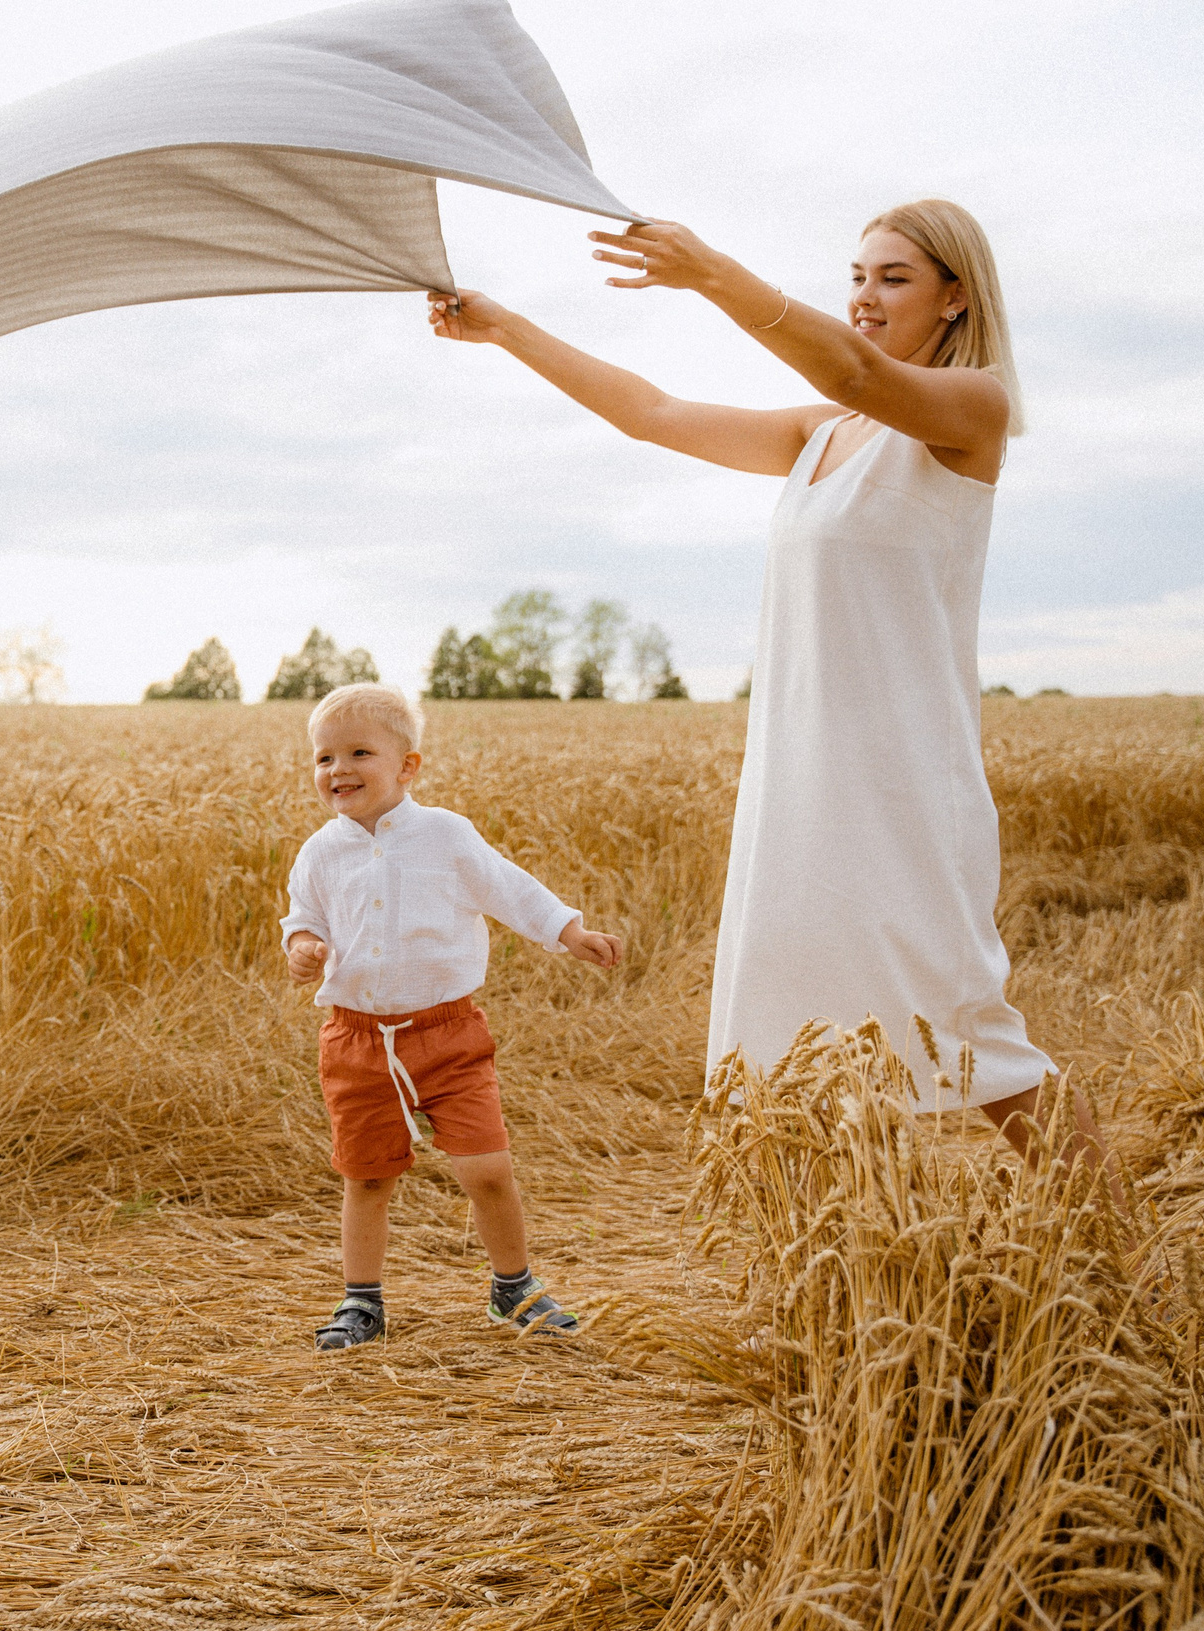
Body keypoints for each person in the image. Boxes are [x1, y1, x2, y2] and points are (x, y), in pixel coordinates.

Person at [424, 200, 1106, 1172]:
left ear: (955, 298)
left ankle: (1111, 1242)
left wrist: (711, 272)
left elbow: (855, 370)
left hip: (906, 779)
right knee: (801, 1021)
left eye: (894, 278)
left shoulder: (972, 410)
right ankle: (846, 1244)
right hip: (801, 778)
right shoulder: (821, 435)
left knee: (967, 1026)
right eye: (857, 276)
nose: (865, 296)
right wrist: (507, 330)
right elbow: (651, 415)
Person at [280, 684, 623, 1350]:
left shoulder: (444, 835)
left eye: (359, 753)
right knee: (367, 1176)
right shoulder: (319, 852)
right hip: (356, 1042)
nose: (338, 769)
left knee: (487, 1169)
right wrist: (303, 947)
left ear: (407, 765)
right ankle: (361, 1301)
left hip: (449, 1036)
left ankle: (513, 1287)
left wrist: (569, 931)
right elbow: (303, 917)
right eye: (324, 757)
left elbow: (510, 888)